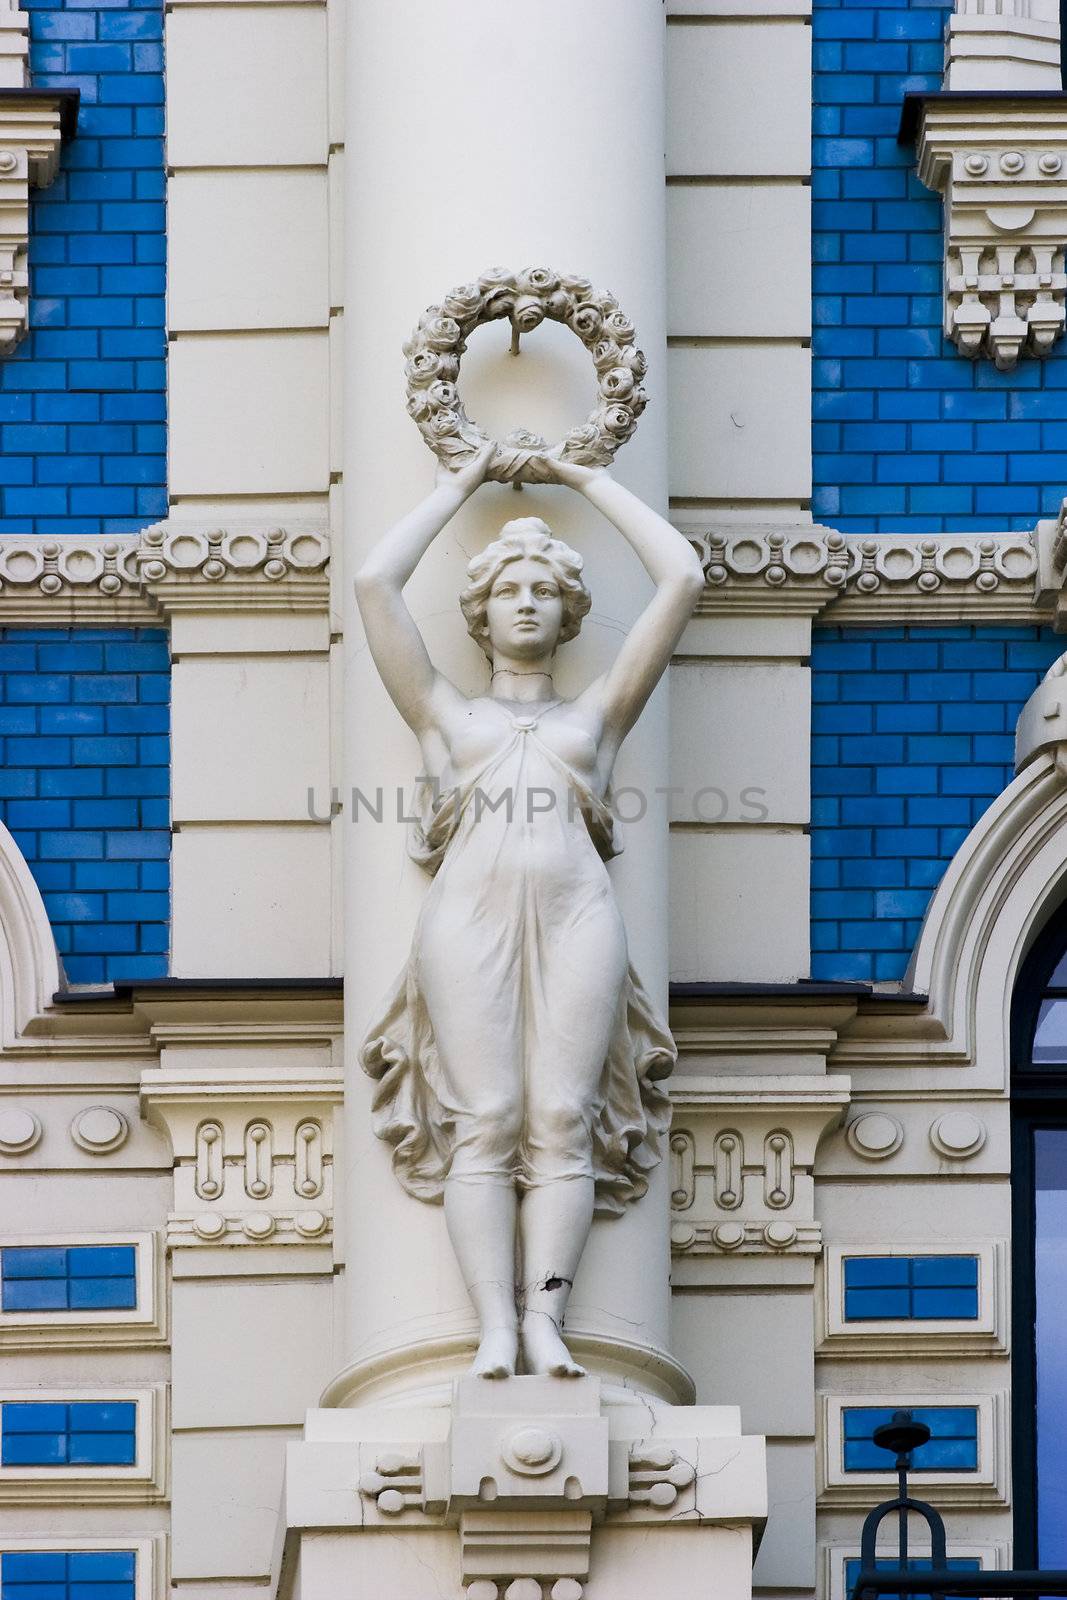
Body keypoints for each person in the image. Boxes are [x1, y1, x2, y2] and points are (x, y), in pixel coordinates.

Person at [354, 444, 705, 1378]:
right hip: (465, 923)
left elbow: (680, 575)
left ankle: (546, 1315)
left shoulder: (595, 721)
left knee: (561, 1114)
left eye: (543, 589)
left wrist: (583, 476)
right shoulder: (445, 720)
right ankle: (495, 1328)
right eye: (507, 588)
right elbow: (374, 581)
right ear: (479, 614)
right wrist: (459, 484)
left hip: (577, 918)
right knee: (490, 1114)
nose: (524, 601)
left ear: (567, 614)